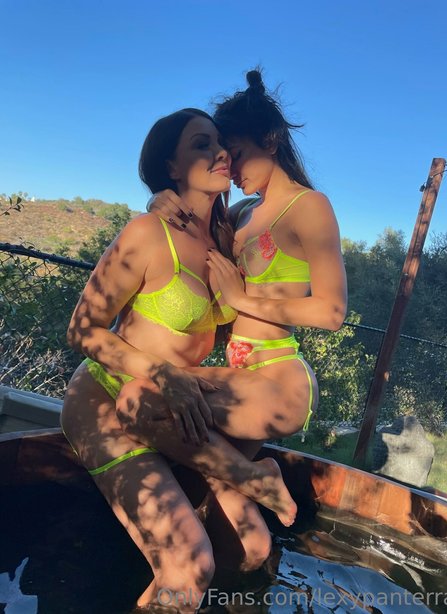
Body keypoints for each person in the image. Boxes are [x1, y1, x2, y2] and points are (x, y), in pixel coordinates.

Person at [61, 108, 297, 612]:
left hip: (174, 410)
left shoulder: (229, 237)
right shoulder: (149, 231)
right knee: (188, 565)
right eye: (200, 145)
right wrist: (160, 372)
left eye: (220, 144)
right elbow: (81, 329)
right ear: (171, 166)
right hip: (107, 399)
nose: (219, 153)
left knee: (253, 548)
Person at [121, 68, 346, 577]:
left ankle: (253, 488)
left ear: (271, 139)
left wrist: (244, 297)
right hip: (237, 378)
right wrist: (157, 199)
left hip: (278, 378)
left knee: (139, 400)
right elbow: (190, 227)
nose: (230, 164)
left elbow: (331, 313)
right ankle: (232, 591)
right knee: (227, 516)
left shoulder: (309, 207)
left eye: (237, 152)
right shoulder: (242, 213)